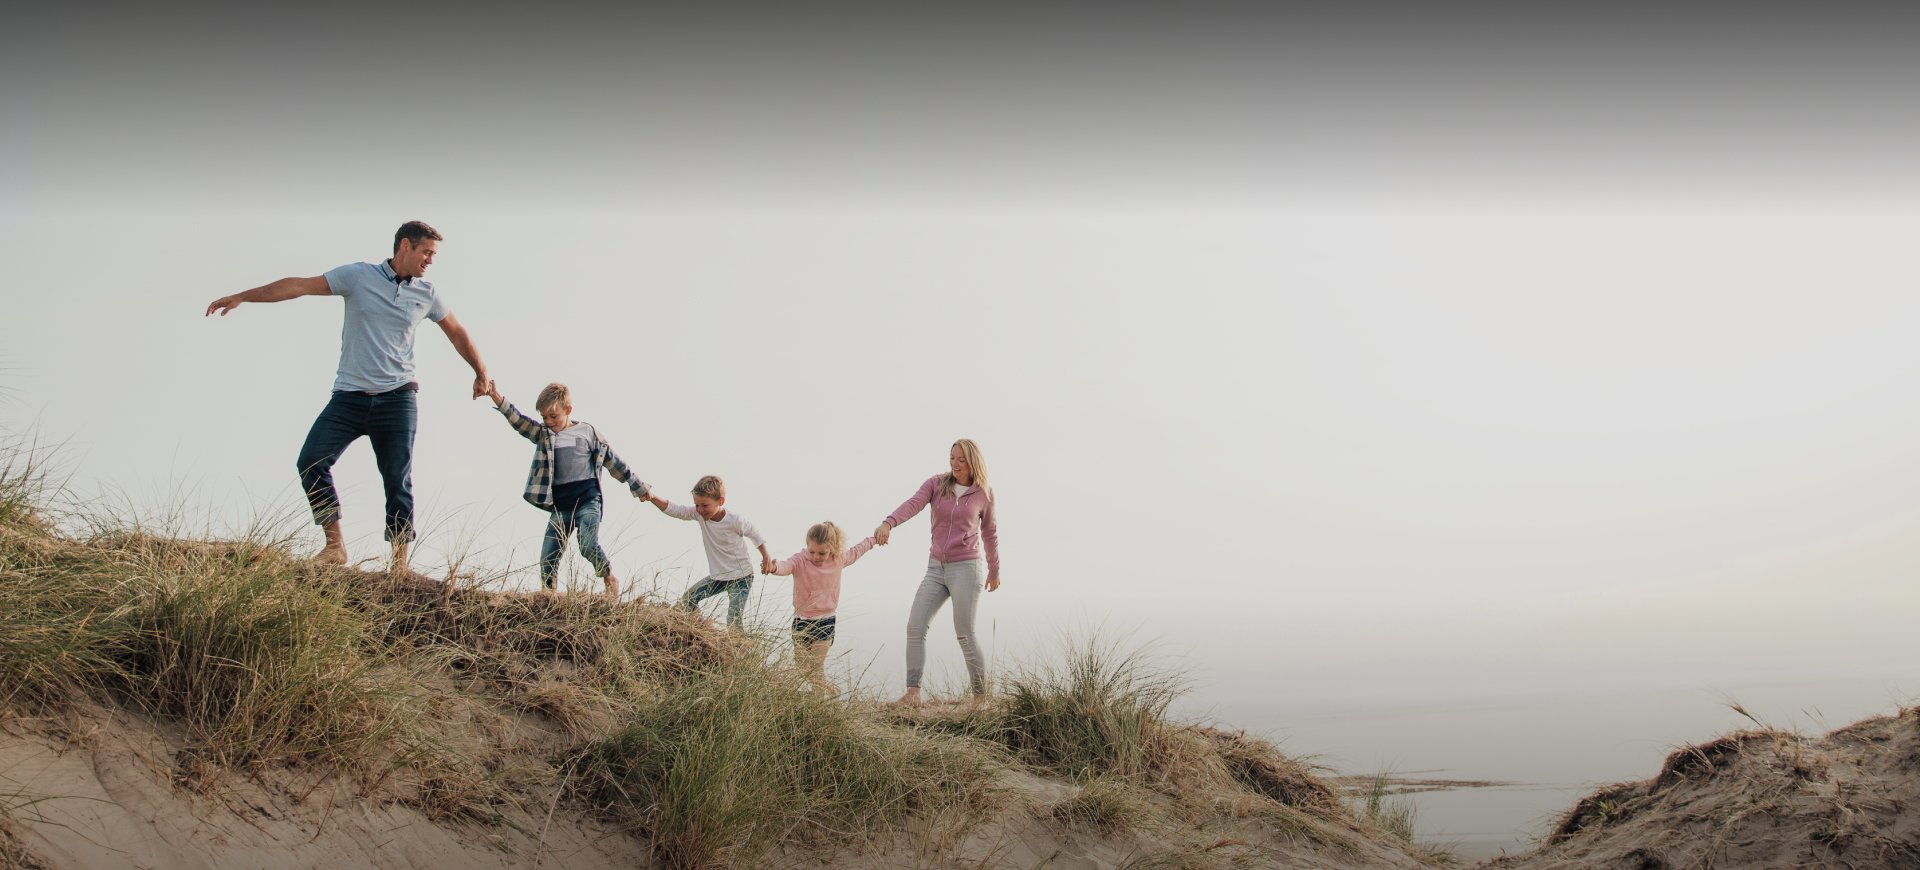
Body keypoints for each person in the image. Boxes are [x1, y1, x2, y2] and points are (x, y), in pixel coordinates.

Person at [204, 221, 489, 572]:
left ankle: (399, 565)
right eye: (426, 252)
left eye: (434, 254)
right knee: (310, 461)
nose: (431, 260)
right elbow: (300, 286)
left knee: (397, 478)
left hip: (398, 398)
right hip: (350, 397)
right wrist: (245, 295)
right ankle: (335, 546)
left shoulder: (427, 293)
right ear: (405, 246)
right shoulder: (358, 276)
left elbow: (457, 332)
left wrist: (481, 372)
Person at [484, 381, 651, 597]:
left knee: (587, 544)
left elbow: (614, 462)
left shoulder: (587, 432)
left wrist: (638, 487)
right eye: (544, 417)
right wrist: (495, 395)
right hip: (561, 506)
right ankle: (549, 595)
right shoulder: (544, 434)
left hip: (588, 501)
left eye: (554, 416)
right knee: (548, 557)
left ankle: (608, 576)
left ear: (568, 410)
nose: (549, 422)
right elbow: (519, 421)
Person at [874, 439, 1000, 705]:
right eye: (952, 458)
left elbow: (990, 533)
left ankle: (980, 699)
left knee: (965, 634)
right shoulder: (936, 484)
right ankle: (913, 693)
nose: (955, 464)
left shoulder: (983, 493)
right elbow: (913, 503)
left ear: (973, 462)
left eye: (961, 460)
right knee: (915, 626)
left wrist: (994, 569)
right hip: (935, 568)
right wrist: (888, 522)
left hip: (966, 568)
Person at [765, 521, 880, 696]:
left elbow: (857, 550)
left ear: (832, 549)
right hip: (801, 620)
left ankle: (819, 702)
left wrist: (873, 540)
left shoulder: (838, 559)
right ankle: (831, 690)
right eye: (812, 551)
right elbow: (785, 567)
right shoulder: (800, 560)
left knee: (816, 668)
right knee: (802, 667)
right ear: (807, 546)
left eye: (822, 553)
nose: (816, 556)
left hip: (825, 620)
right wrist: (773, 567)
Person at [648, 476, 773, 628]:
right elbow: (675, 510)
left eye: (705, 506)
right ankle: (701, 628)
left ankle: (739, 649)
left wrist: (766, 557)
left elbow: (755, 534)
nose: (700, 510)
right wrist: (652, 497)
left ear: (721, 501)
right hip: (718, 577)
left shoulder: (735, 521)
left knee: (733, 620)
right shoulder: (699, 514)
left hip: (741, 578)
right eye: (697, 505)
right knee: (689, 598)